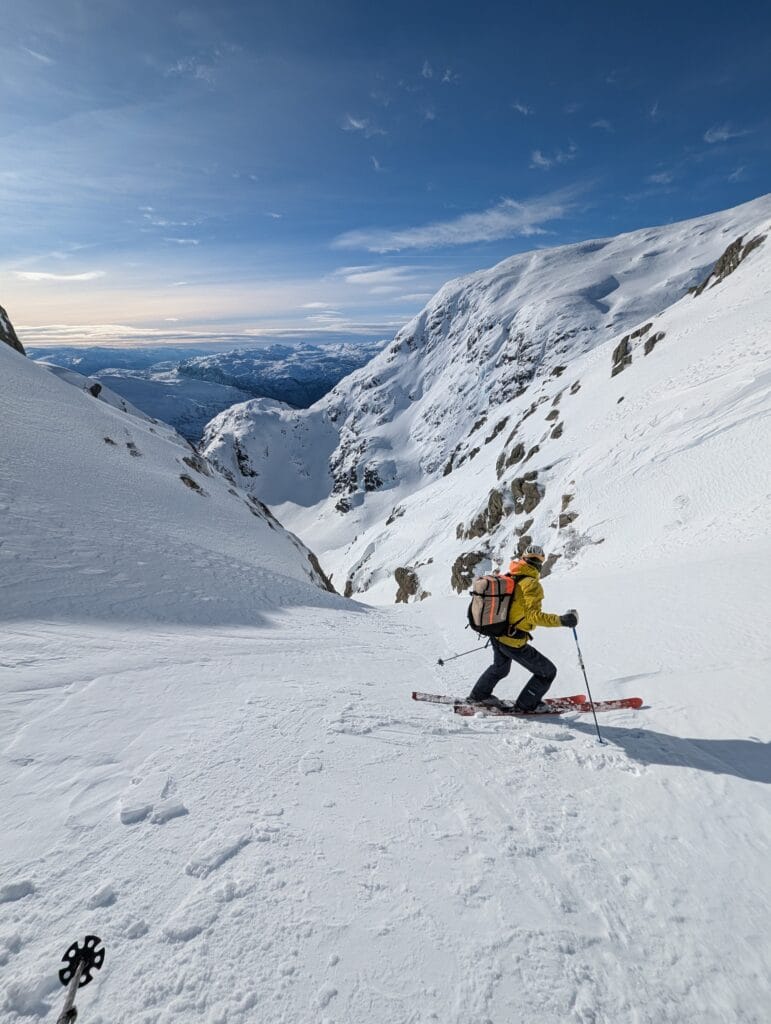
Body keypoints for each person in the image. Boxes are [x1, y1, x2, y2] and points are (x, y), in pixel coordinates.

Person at [467, 545, 578, 712]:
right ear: (540, 564)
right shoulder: (531, 584)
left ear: (523, 559)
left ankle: (478, 696)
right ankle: (526, 705)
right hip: (513, 640)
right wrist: (562, 620)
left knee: (500, 668)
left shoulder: (510, 576)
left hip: (497, 634)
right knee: (547, 672)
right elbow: (533, 616)